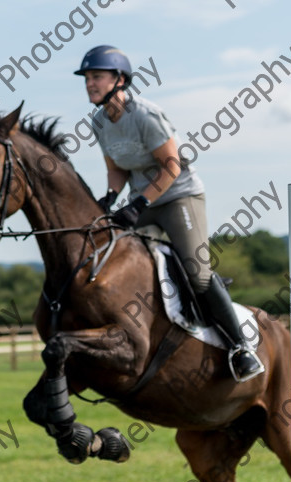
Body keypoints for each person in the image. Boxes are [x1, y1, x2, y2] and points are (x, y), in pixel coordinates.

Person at [74, 45, 263, 382]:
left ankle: (241, 347)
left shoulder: (146, 115)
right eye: (87, 78)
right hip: (142, 202)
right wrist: (109, 199)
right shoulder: (99, 121)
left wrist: (138, 204)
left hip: (179, 198)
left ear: (119, 80)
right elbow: (117, 168)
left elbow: (172, 166)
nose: (90, 84)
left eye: (96, 77)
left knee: (197, 273)